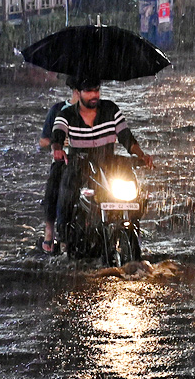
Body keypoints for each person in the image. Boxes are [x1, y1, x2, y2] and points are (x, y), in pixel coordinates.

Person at [50, 78, 153, 241]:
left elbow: (126, 137)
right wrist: (57, 150)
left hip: (109, 163)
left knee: (134, 192)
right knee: (66, 191)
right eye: (89, 91)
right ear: (78, 92)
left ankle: (133, 227)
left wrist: (141, 155)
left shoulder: (110, 109)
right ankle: (64, 236)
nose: (94, 95)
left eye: (96, 90)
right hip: (80, 165)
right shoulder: (66, 114)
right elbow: (57, 135)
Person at [38, 83, 79, 253]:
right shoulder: (58, 110)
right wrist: (58, 146)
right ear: (77, 90)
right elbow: (43, 141)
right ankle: (50, 233)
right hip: (63, 161)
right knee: (55, 185)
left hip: (88, 161)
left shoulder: (96, 112)